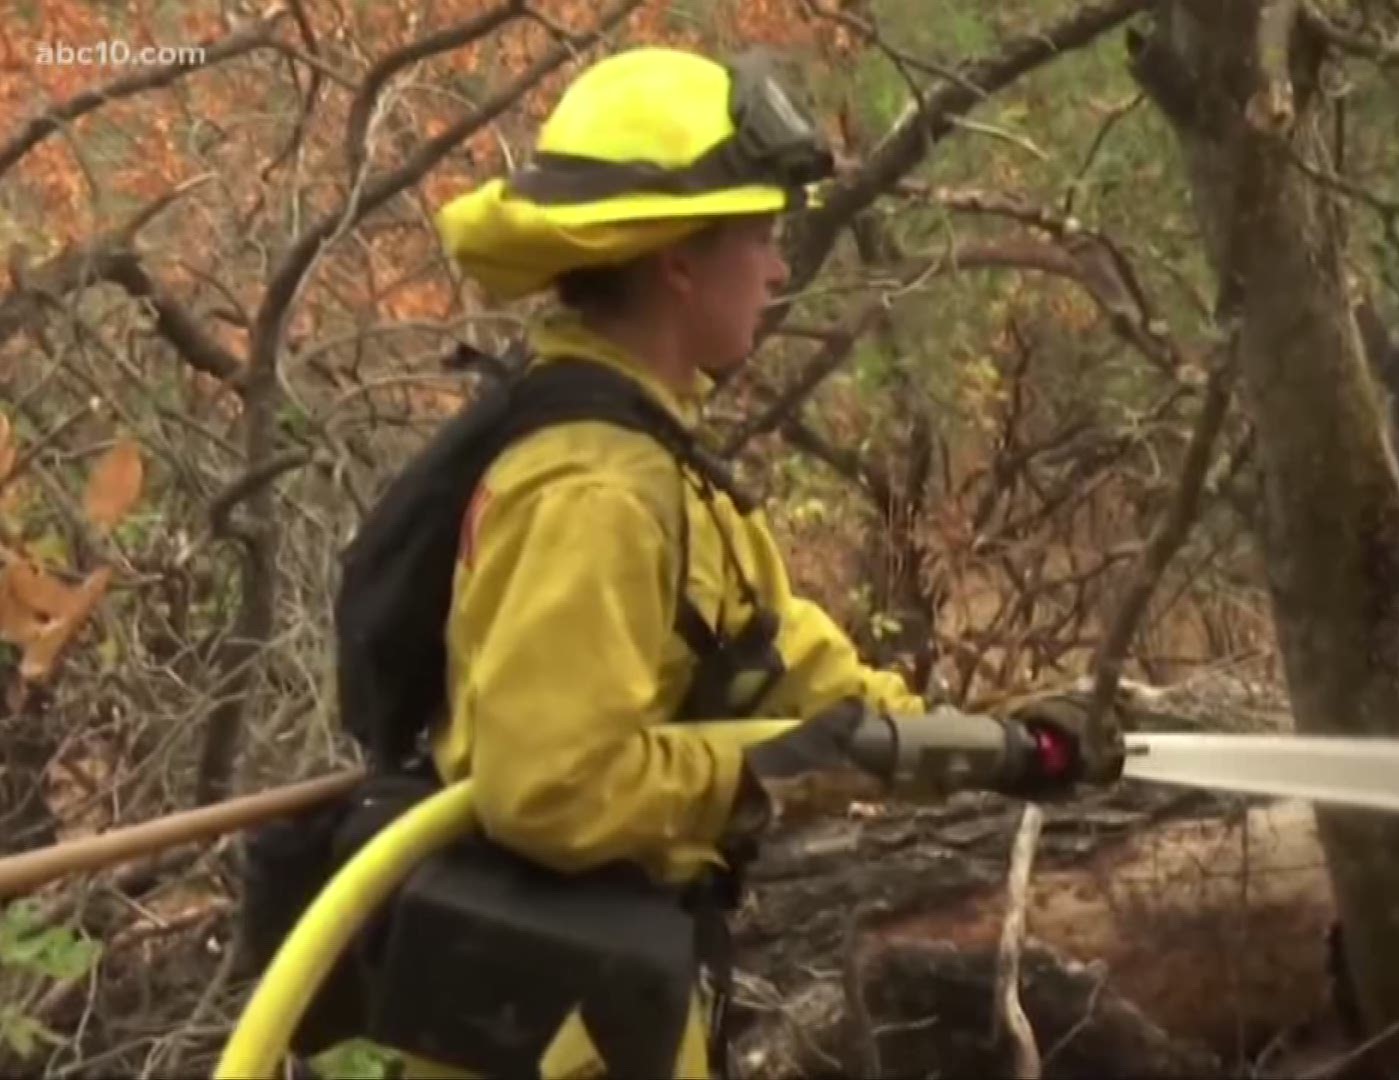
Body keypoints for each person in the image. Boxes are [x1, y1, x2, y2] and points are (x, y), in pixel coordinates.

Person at [405, 45, 1123, 1079]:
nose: (781, 267)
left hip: (612, 1010)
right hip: (548, 1036)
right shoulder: (597, 494)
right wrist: (769, 766)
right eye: (760, 235)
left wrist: (1006, 745)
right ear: (679, 261)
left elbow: (790, 664)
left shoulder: (659, 465)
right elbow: (551, 787)